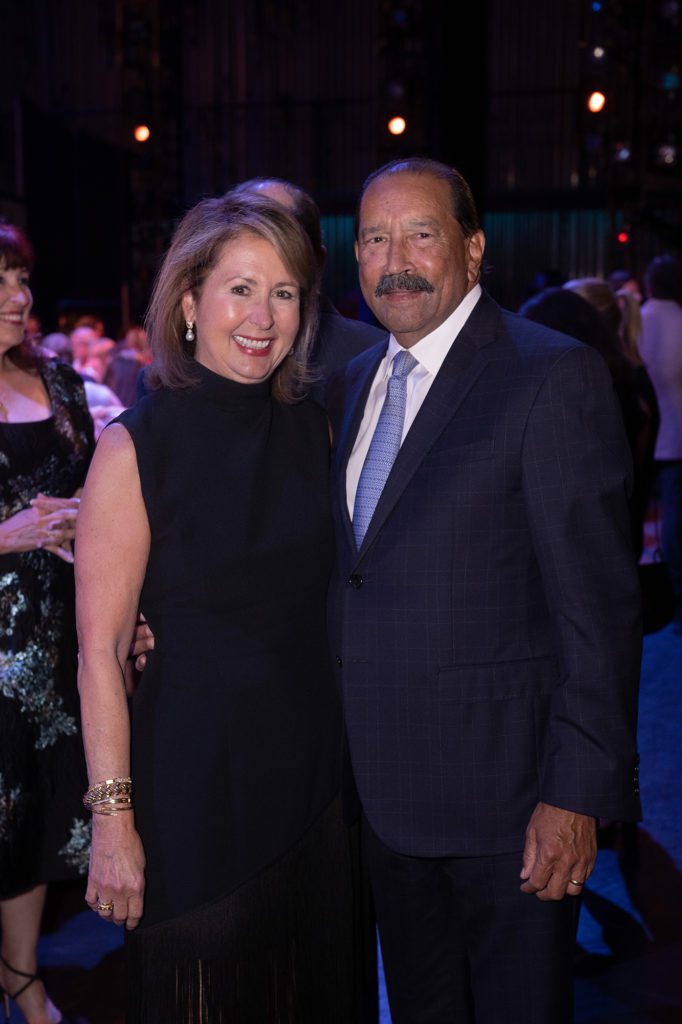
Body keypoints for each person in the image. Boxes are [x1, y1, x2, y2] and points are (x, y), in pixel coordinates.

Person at [325, 158, 642, 1023]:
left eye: (420, 235)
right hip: (381, 801)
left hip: (509, 808)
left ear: (471, 250)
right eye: (375, 239)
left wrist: (576, 794)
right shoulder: (352, 383)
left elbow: (599, 610)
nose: (395, 258)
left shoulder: (550, 376)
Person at [75, 193, 376, 1023]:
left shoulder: (315, 430)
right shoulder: (133, 445)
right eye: (240, 288)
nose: (263, 315)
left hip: (316, 789)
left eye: (284, 292)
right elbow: (100, 651)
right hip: (193, 793)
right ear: (187, 302)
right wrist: (112, 822)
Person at [0, 224, 94, 1023]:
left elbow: (98, 491)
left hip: (56, 636)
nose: (18, 297)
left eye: (22, 278)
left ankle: (22, 974)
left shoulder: (62, 384)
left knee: (33, 817)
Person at [639, 254, 682, 609]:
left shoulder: (648, 317)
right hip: (674, 427)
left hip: (657, 429)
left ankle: (672, 593)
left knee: (667, 515)